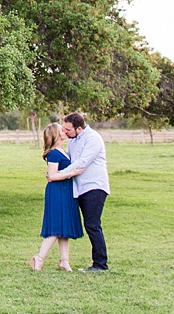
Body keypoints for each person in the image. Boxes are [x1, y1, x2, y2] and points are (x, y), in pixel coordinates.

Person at [48, 111, 110, 271]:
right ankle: (88, 262)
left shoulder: (93, 139)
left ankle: (100, 264)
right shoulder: (74, 141)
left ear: (79, 129)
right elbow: (68, 160)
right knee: (90, 224)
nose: (65, 133)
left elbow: (82, 163)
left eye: (68, 129)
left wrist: (56, 175)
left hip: (94, 186)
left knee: (92, 224)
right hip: (79, 188)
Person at [30, 122, 82, 271]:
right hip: (57, 191)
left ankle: (64, 261)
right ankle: (39, 259)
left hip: (66, 190)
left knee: (63, 227)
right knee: (56, 226)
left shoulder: (62, 150)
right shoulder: (53, 153)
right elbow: (52, 176)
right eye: (62, 130)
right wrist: (71, 174)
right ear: (56, 134)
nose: (65, 131)